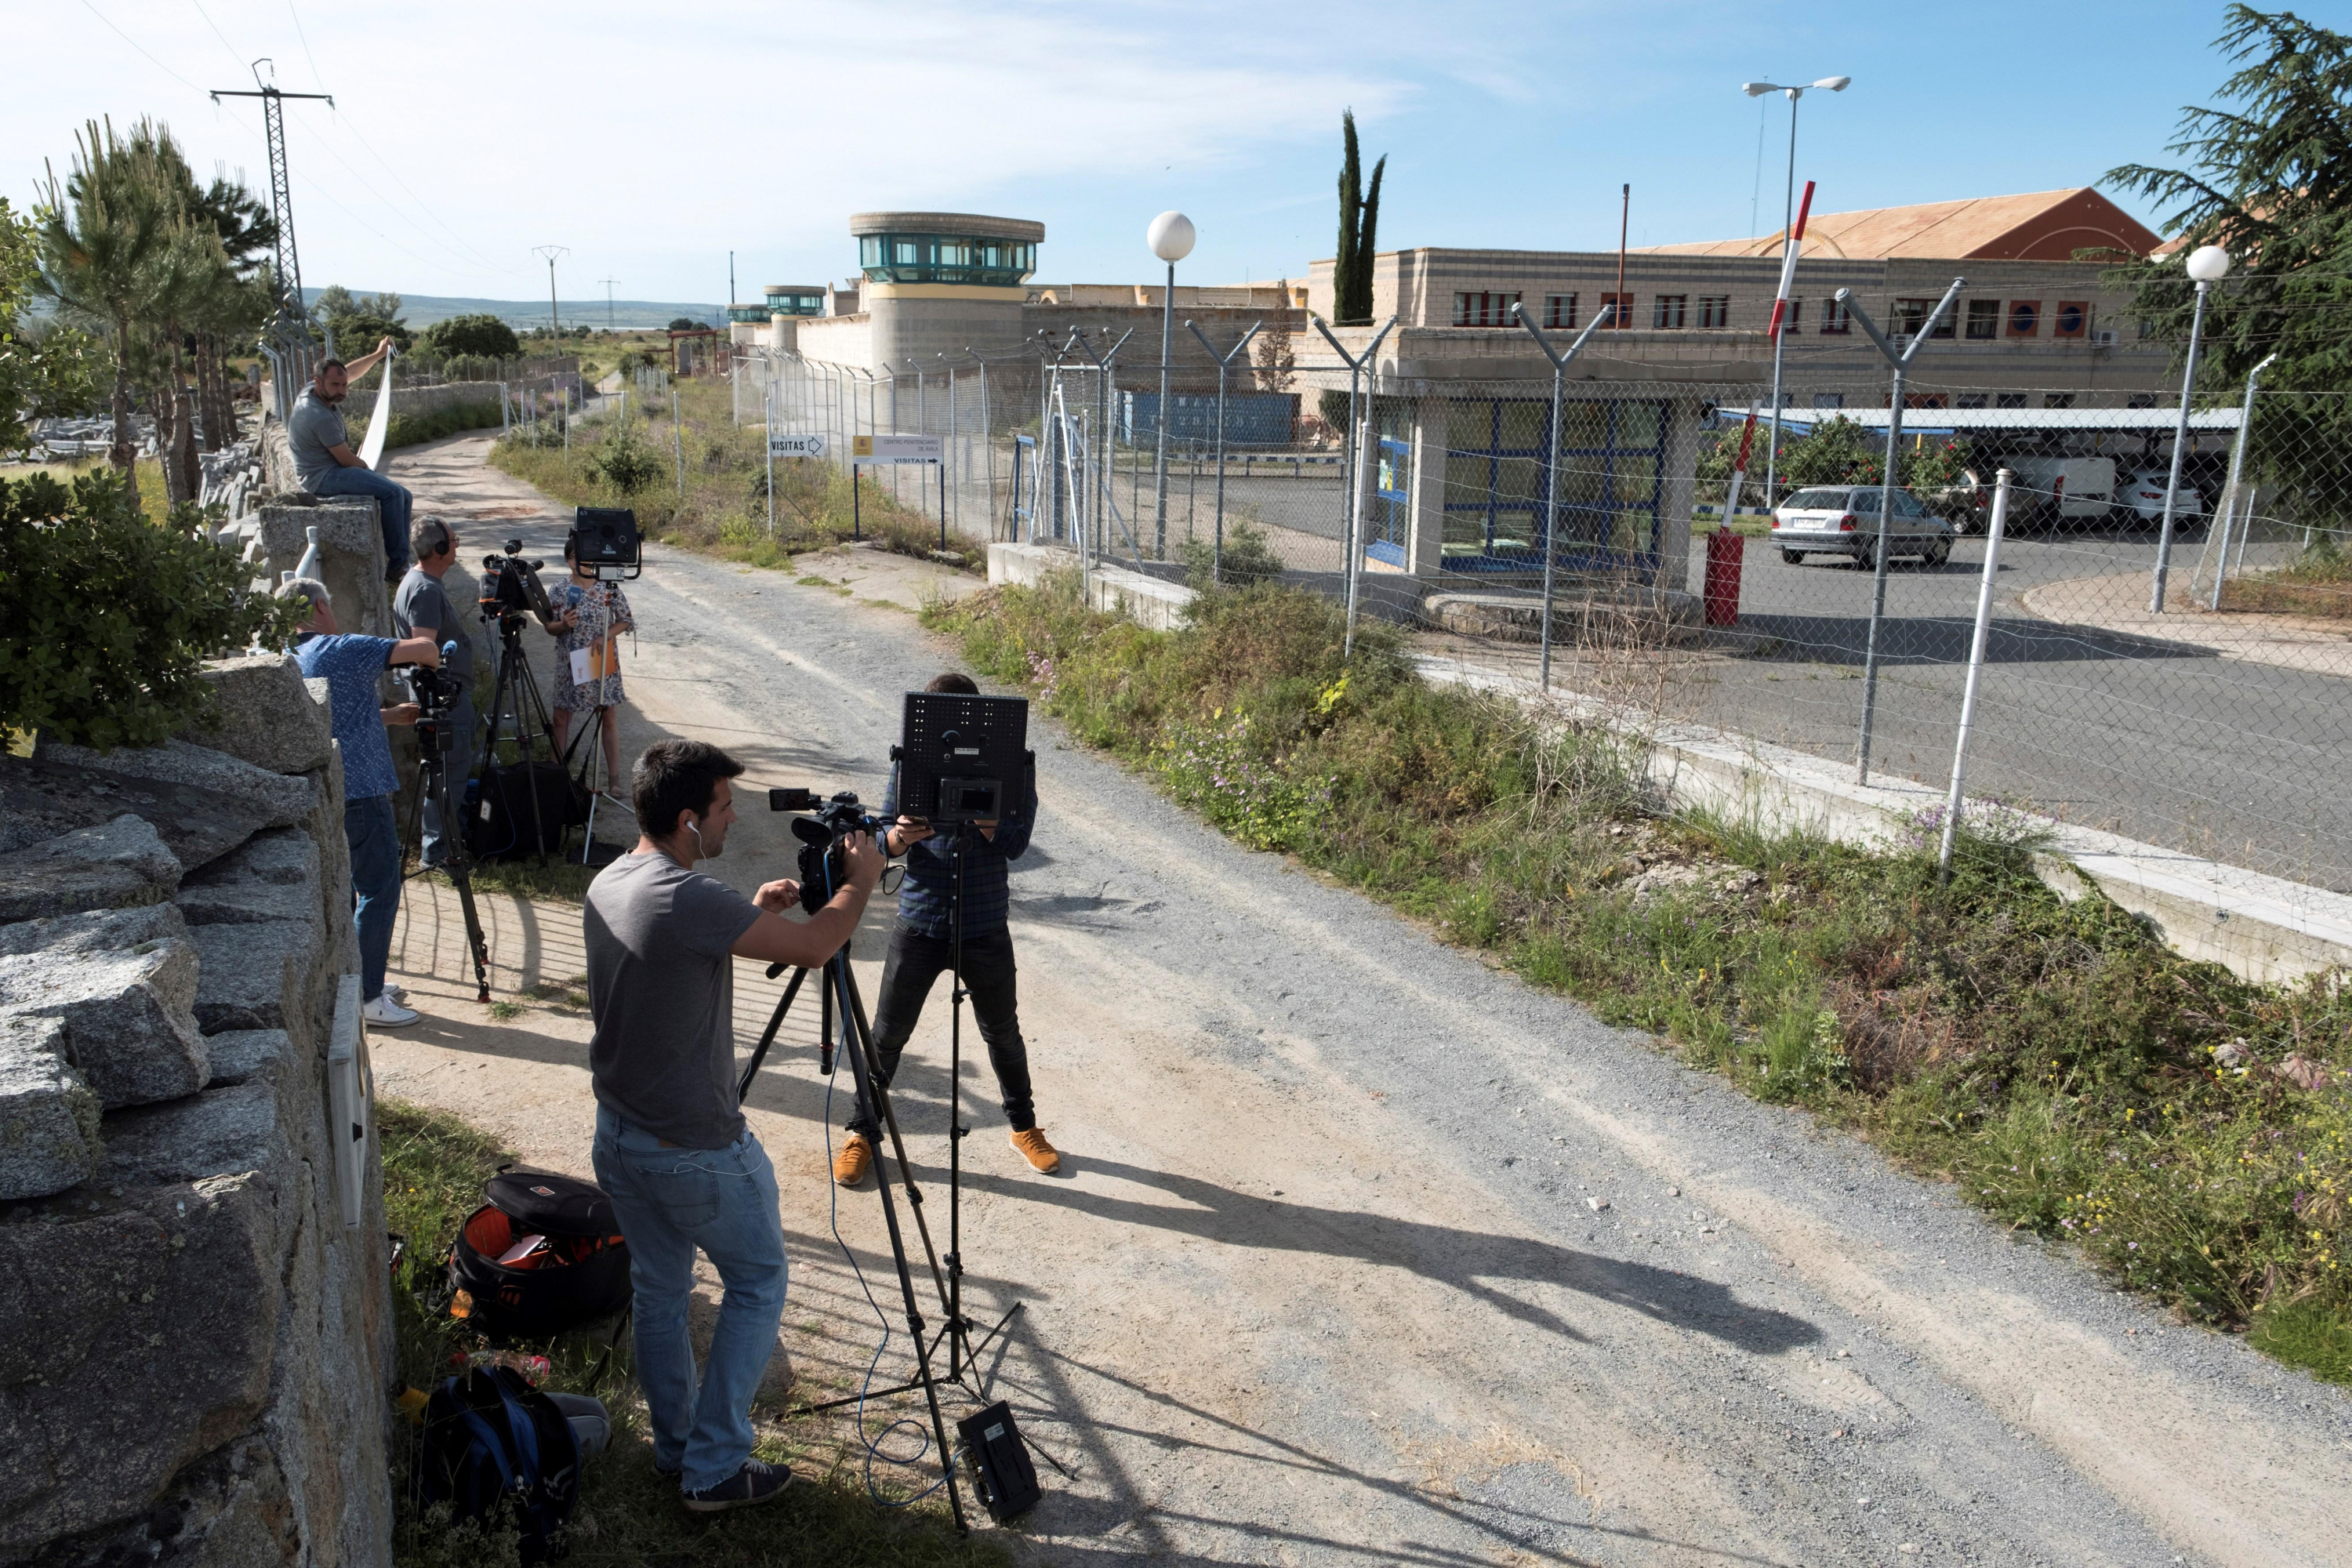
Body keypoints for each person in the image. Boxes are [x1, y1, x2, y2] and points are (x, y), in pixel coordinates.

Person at [583, 739, 883, 1512]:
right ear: (688, 820)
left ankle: (677, 1447)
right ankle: (715, 1468)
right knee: (756, 1281)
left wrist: (751, 914)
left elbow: (673, 952)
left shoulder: (618, 879)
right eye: (723, 807)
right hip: (696, 1150)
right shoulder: (690, 899)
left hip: (620, 1135)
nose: (732, 816)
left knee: (659, 1291)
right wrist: (864, 878)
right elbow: (821, 944)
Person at [833, 672, 1060, 1188]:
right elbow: (884, 835)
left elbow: (1017, 842)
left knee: (1003, 1032)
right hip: (921, 919)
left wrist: (988, 823)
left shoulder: (1012, 768)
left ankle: (1024, 1127)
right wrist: (898, 837)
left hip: (984, 923)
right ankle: (861, 1132)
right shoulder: (912, 762)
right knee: (887, 1035)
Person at [280, 575, 443, 1028]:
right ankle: (369, 997)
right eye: (329, 607)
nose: (334, 615)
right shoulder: (340, 648)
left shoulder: (295, 656)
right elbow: (423, 651)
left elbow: (337, 712)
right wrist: (430, 646)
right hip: (364, 790)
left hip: (335, 789)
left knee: (354, 890)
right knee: (380, 888)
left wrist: (388, 716)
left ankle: (360, 978)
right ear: (318, 609)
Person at [286, 340, 414, 581]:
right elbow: (346, 460)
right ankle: (398, 566)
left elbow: (351, 372)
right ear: (318, 381)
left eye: (344, 385)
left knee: (404, 494)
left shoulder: (310, 391)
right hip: (322, 477)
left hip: (328, 469)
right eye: (336, 385)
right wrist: (368, 469)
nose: (342, 390)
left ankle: (402, 558)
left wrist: (377, 355)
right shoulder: (318, 415)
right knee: (392, 494)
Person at [392, 517, 478, 867]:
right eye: (454, 540)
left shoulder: (420, 582)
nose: (457, 545)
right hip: (444, 702)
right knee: (448, 776)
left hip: (443, 700)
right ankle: (439, 854)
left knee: (446, 775)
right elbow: (423, 647)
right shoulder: (425, 589)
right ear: (439, 548)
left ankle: (445, 847)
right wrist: (443, 694)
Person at [549, 535, 634, 799]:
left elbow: (626, 621)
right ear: (567, 560)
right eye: (574, 557)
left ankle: (614, 780)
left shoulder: (609, 589)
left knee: (607, 718)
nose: (580, 562)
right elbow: (549, 626)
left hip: (598, 659)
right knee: (560, 720)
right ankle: (552, 777)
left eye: (584, 556)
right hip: (569, 660)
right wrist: (563, 625)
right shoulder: (559, 590)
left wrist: (605, 635)